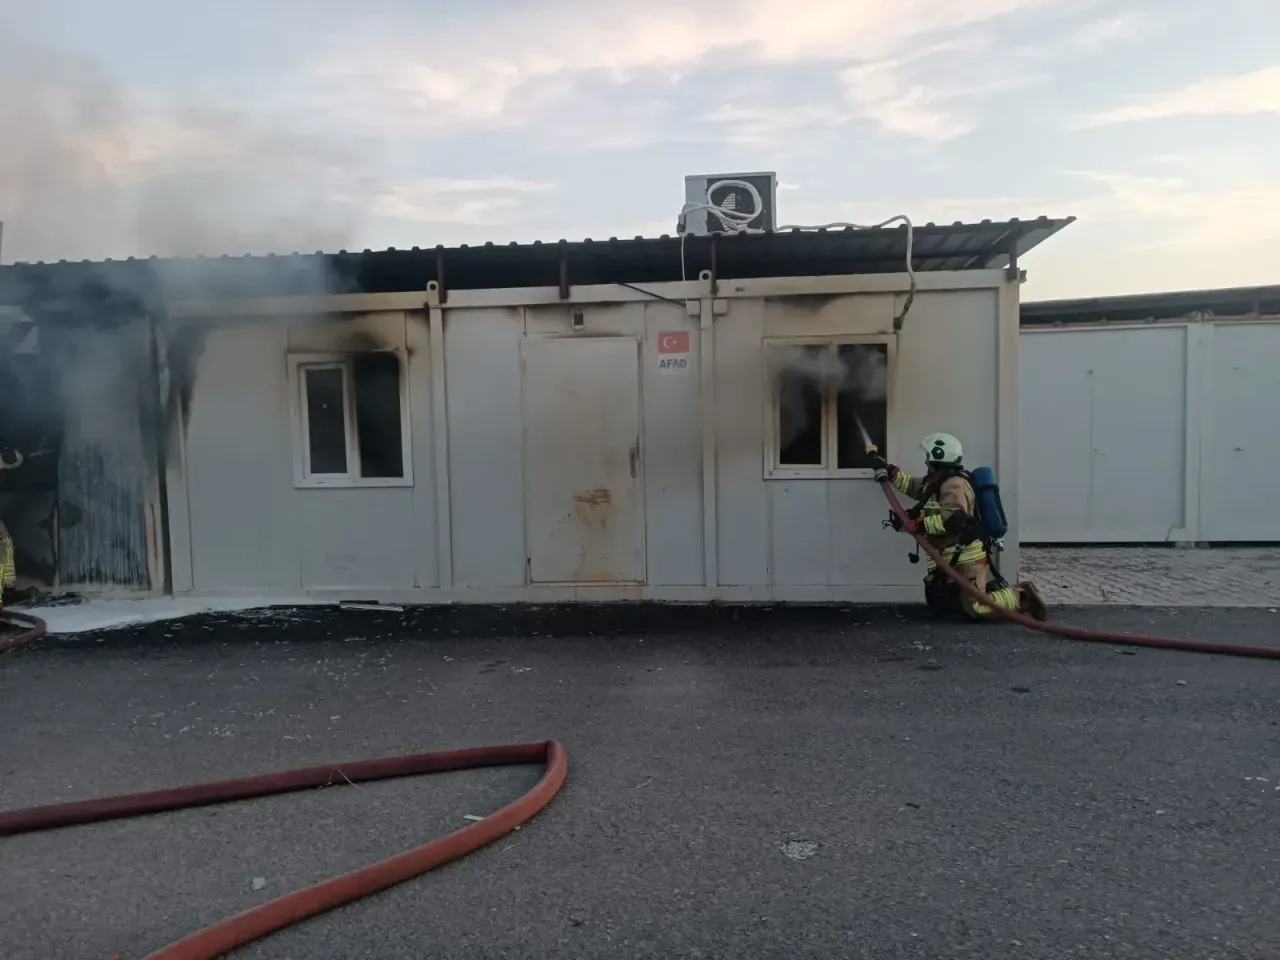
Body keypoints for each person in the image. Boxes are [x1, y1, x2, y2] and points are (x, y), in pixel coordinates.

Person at [873, 432, 1047, 622]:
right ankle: (978, 596)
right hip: (948, 552)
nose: (925, 462)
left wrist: (916, 524)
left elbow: (952, 521)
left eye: (928, 457)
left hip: (966, 553)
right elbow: (915, 487)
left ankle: (1022, 596)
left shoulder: (954, 485)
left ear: (937, 458)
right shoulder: (936, 481)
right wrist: (891, 472)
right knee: (941, 599)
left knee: (977, 607)